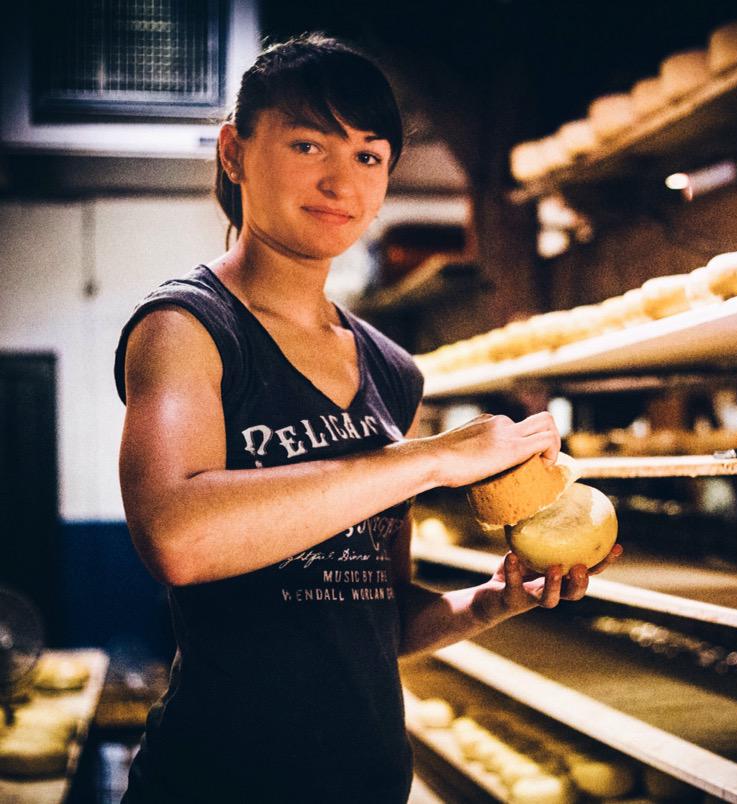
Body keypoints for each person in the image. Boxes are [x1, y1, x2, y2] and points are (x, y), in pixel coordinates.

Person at [114, 33, 621, 803]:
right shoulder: (189, 329)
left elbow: (378, 611)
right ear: (234, 152)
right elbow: (175, 538)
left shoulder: (391, 369)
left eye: (369, 155)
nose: (340, 180)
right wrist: (431, 458)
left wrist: (493, 600)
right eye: (308, 144)